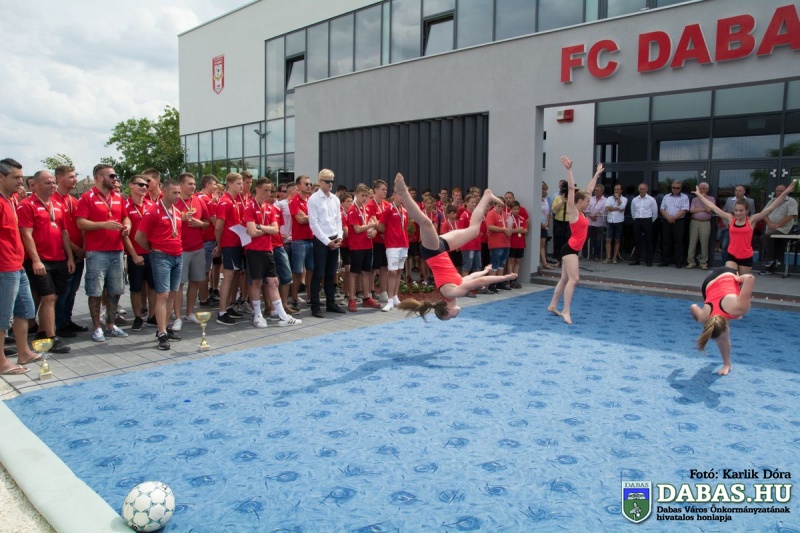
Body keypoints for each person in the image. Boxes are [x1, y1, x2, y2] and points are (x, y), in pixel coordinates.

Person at [395, 174, 515, 321]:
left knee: (426, 223)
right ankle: (486, 196)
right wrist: (484, 271)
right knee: (474, 231)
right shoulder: (454, 291)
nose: (454, 317)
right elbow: (471, 277)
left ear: (446, 310)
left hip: (432, 252)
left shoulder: (452, 293)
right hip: (442, 249)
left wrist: (505, 277)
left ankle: (403, 193)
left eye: (450, 317)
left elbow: (479, 283)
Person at [18, 170, 75, 354]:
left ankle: (42, 333)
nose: (52, 185)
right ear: (35, 185)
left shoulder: (57, 204)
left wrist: (70, 257)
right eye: (47, 182)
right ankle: (50, 337)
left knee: (53, 298)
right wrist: (35, 260)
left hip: (59, 258)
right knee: (48, 298)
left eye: (53, 182)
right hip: (41, 260)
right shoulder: (27, 205)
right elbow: (26, 234)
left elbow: (64, 232)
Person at [693, 179, 797, 275]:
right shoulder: (730, 218)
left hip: (745, 256)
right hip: (732, 254)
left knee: (741, 282)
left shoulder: (751, 220)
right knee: (731, 276)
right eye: (736, 210)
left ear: (746, 211)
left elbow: (771, 208)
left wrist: (786, 192)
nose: (738, 213)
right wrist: (699, 195)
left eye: (741, 210)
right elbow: (713, 207)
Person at [75, 164, 130, 342]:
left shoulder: (118, 197)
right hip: (97, 252)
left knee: (116, 290)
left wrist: (127, 226)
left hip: (117, 250)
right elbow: (80, 223)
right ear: (99, 177)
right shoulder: (87, 197)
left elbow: (125, 216)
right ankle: (97, 327)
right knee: (95, 291)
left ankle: (111, 325)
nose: (115, 179)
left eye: (115, 176)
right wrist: (103, 225)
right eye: (111, 176)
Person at [0, 159, 45, 375]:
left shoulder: (11, 199)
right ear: (1, 177)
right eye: (16, 178)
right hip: (4, 267)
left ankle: (23, 352)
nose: (21, 181)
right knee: (3, 316)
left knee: (25, 310)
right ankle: (1, 362)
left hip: (17, 265)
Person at [546, 157, 603, 325]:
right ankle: (566, 310)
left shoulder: (582, 211)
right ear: (579, 201)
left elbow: (589, 189)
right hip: (570, 249)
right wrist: (569, 170)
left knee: (565, 279)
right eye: (587, 201)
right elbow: (571, 189)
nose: (589, 203)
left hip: (572, 248)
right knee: (574, 279)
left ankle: (553, 305)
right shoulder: (573, 211)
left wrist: (597, 174)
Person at [243, 178, 301, 328]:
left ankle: (282, 315)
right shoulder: (249, 207)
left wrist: (259, 227)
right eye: (265, 190)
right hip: (254, 250)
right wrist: (265, 228)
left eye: (270, 190)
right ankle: (257, 315)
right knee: (256, 282)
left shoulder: (270, 208)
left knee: (274, 282)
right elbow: (251, 232)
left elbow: (275, 230)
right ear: (257, 190)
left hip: (268, 249)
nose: (268, 193)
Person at [135, 180, 183, 350]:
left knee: (172, 294)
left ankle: (164, 327)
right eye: (174, 193)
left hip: (177, 256)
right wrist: (153, 249)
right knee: (162, 294)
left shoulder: (177, 211)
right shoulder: (153, 211)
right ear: (164, 191)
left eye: (179, 193)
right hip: (161, 256)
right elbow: (139, 237)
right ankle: (161, 333)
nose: (177, 196)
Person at [690, 268, 755, 376]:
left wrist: (738, 278)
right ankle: (727, 364)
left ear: (726, 326)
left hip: (725, 275)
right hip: (709, 284)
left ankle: (727, 364)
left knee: (725, 335)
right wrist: (698, 319)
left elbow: (749, 278)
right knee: (723, 336)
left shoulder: (740, 307)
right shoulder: (704, 317)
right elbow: (693, 307)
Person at [53, 165, 89, 337]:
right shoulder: (52, 201)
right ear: (59, 178)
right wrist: (75, 249)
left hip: (78, 254)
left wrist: (83, 248)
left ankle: (67, 320)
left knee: (73, 290)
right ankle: (59, 324)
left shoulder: (74, 201)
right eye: (71, 177)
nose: (75, 180)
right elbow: (60, 231)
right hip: (64, 253)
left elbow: (81, 226)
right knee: (63, 291)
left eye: (75, 176)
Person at [173, 173, 211, 330]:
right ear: (181, 185)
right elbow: (166, 221)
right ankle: (177, 317)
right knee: (179, 284)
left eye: (194, 184)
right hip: (181, 248)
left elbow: (208, 222)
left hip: (198, 247)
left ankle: (189, 312)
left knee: (195, 281)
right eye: (189, 184)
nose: (193, 186)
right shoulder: (174, 201)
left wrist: (200, 223)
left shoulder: (199, 200)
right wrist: (180, 218)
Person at [308, 169, 345, 318]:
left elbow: (338, 220)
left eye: (332, 181)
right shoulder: (314, 199)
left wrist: (339, 236)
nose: (331, 184)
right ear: (320, 182)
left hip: (334, 238)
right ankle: (315, 306)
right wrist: (327, 241)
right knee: (318, 274)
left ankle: (331, 303)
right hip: (321, 241)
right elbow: (314, 224)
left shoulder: (335, 199)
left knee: (331, 273)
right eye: (328, 181)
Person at [122, 175, 155, 331]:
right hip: (135, 254)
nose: (144, 187)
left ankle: (153, 316)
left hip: (152, 253)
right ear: (131, 185)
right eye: (140, 184)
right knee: (136, 288)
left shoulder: (151, 205)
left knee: (154, 286)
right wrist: (134, 255)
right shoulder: (125, 206)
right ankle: (137, 317)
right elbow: (124, 235)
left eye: (146, 185)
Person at [214, 173, 246, 325]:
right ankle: (221, 312)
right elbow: (219, 226)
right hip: (229, 244)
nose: (242, 186)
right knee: (228, 277)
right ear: (230, 184)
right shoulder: (225, 201)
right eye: (238, 183)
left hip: (236, 243)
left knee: (233, 276)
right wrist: (219, 245)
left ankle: (227, 306)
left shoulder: (234, 200)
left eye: (242, 183)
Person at [377, 190, 409, 312]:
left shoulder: (404, 210)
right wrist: (388, 235)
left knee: (399, 270)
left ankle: (395, 297)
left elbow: (405, 227)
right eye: (400, 194)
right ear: (394, 195)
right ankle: (389, 300)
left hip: (404, 244)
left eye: (403, 195)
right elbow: (381, 226)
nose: (402, 197)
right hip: (392, 245)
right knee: (392, 272)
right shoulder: (388, 209)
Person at [760, 182, 799, 272]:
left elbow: (791, 215)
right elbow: (763, 214)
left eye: (782, 191)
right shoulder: (772, 201)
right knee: (763, 237)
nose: (779, 192)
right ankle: (767, 265)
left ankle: (769, 260)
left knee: (767, 235)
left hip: (783, 229)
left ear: (787, 191)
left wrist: (778, 225)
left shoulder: (791, 201)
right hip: (770, 227)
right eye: (777, 191)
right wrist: (770, 223)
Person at [720, 185, 756, 263]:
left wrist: (748, 222)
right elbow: (723, 211)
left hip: (744, 228)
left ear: (744, 192)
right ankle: (724, 264)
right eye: (736, 190)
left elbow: (752, 213)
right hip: (730, 226)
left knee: (743, 246)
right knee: (725, 245)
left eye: (740, 190)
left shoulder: (750, 201)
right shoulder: (729, 200)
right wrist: (726, 223)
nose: (737, 192)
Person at [659, 181, 690, 268]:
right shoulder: (666, 196)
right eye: (674, 188)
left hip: (679, 221)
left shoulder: (684, 197)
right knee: (666, 241)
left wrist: (674, 218)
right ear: (671, 188)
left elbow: (684, 210)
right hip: (667, 221)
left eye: (677, 188)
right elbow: (662, 209)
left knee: (678, 242)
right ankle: (665, 261)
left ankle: (678, 262)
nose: (675, 189)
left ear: (681, 188)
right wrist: (668, 218)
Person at [686, 182, 714, 270]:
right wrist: (703, 209)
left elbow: (709, 209)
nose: (701, 190)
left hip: (705, 222)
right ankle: (691, 262)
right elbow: (691, 210)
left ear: (707, 190)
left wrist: (703, 199)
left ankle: (703, 263)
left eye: (703, 188)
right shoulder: (695, 199)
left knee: (704, 243)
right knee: (692, 243)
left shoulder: (711, 199)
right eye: (700, 188)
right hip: (694, 222)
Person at [629, 183, 658, 266]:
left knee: (648, 241)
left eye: (643, 189)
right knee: (637, 241)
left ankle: (649, 261)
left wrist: (651, 221)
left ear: (647, 189)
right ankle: (636, 260)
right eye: (641, 189)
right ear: (638, 189)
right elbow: (633, 211)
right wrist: (636, 219)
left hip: (647, 220)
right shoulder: (635, 200)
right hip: (637, 220)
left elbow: (655, 212)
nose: (642, 190)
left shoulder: (651, 200)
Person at [604, 183, 627, 264]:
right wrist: (616, 209)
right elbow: (607, 208)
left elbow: (622, 207)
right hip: (610, 220)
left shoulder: (624, 199)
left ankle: (614, 258)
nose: (616, 191)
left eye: (618, 189)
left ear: (621, 190)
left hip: (619, 221)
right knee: (608, 239)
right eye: (615, 189)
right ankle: (608, 257)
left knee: (617, 240)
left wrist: (617, 198)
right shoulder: (609, 198)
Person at [586, 184, 606, 261]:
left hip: (598, 223)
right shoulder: (591, 199)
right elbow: (586, 208)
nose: (595, 192)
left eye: (597, 190)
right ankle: (585, 254)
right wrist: (591, 215)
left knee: (598, 240)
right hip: (589, 222)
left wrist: (596, 215)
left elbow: (603, 210)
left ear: (601, 191)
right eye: (595, 190)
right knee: (585, 238)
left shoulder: (605, 200)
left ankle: (596, 256)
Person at [540, 182, 556, 269]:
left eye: (545, 190)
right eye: (543, 189)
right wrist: (540, 224)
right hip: (538, 225)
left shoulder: (546, 200)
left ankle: (544, 263)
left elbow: (548, 212)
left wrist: (547, 222)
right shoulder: (536, 200)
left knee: (542, 245)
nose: (544, 191)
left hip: (544, 225)